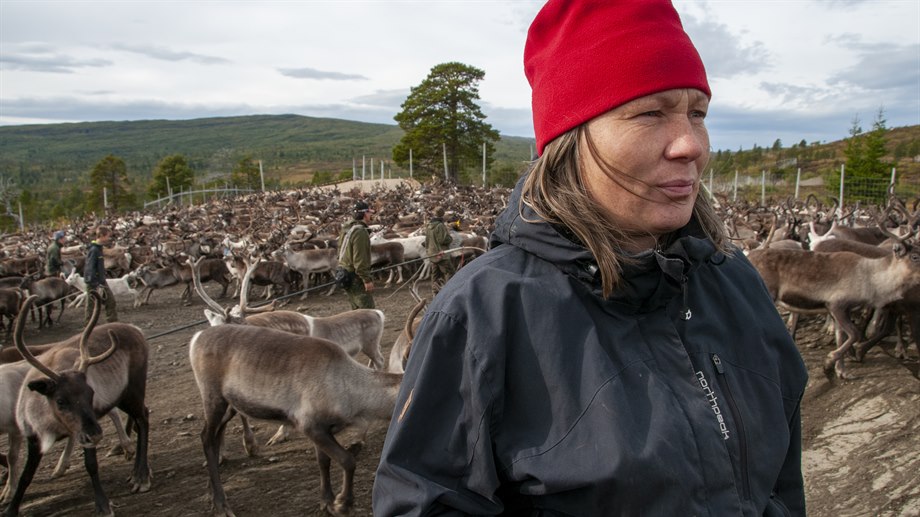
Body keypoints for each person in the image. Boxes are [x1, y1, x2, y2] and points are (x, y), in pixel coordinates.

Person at [373, 1, 808, 516]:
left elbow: (780, 485)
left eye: (698, 113)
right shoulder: (483, 314)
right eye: (650, 113)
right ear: (570, 142)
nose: (691, 144)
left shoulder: (734, 281)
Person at [338, 200, 375, 309]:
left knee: (356, 313)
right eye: (369, 212)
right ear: (364, 214)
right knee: (367, 313)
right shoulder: (360, 232)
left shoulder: (347, 228)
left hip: (344, 273)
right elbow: (360, 259)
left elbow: (339, 250)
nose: (371, 215)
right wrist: (366, 280)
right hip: (356, 277)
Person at [84, 225, 117, 323]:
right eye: (107, 236)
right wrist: (94, 284)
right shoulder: (94, 250)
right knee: (91, 306)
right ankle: (88, 327)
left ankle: (113, 323)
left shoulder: (98, 249)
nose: (109, 238)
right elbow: (89, 268)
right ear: (101, 236)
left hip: (101, 281)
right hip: (95, 283)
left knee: (111, 302)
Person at [423, 206, 455, 295]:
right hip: (441, 255)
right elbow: (442, 240)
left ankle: (435, 293)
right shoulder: (440, 225)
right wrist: (450, 239)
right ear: (443, 214)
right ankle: (450, 293)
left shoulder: (429, 225)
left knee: (435, 275)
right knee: (450, 273)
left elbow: (426, 241)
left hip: (432, 254)